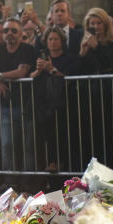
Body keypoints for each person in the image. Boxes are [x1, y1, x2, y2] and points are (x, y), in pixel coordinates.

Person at [0, 17, 36, 172]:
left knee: (28, 147)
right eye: (6, 30)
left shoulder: (27, 49)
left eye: (14, 30)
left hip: (27, 105)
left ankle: (28, 182)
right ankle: (10, 182)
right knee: (6, 145)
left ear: (20, 33)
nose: (9, 33)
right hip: (6, 106)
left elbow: (22, 71)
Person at [31, 26, 77, 173]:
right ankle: (50, 164)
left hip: (63, 102)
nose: (53, 42)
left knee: (61, 134)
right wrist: (39, 70)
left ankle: (61, 163)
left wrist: (51, 69)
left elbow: (69, 77)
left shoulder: (69, 57)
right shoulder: (40, 57)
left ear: (62, 41)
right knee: (46, 134)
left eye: (56, 39)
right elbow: (30, 77)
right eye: (50, 39)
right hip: (44, 102)